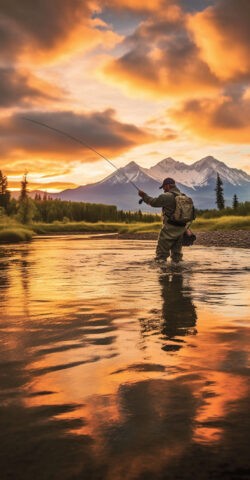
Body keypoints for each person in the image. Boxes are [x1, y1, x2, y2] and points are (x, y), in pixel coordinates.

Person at [138, 177, 187, 264]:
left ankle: (162, 275)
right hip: (181, 230)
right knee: (177, 258)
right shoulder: (183, 196)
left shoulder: (167, 196)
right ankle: (178, 274)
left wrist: (144, 196)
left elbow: (154, 202)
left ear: (168, 186)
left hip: (169, 230)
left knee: (161, 257)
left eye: (164, 187)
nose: (163, 190)